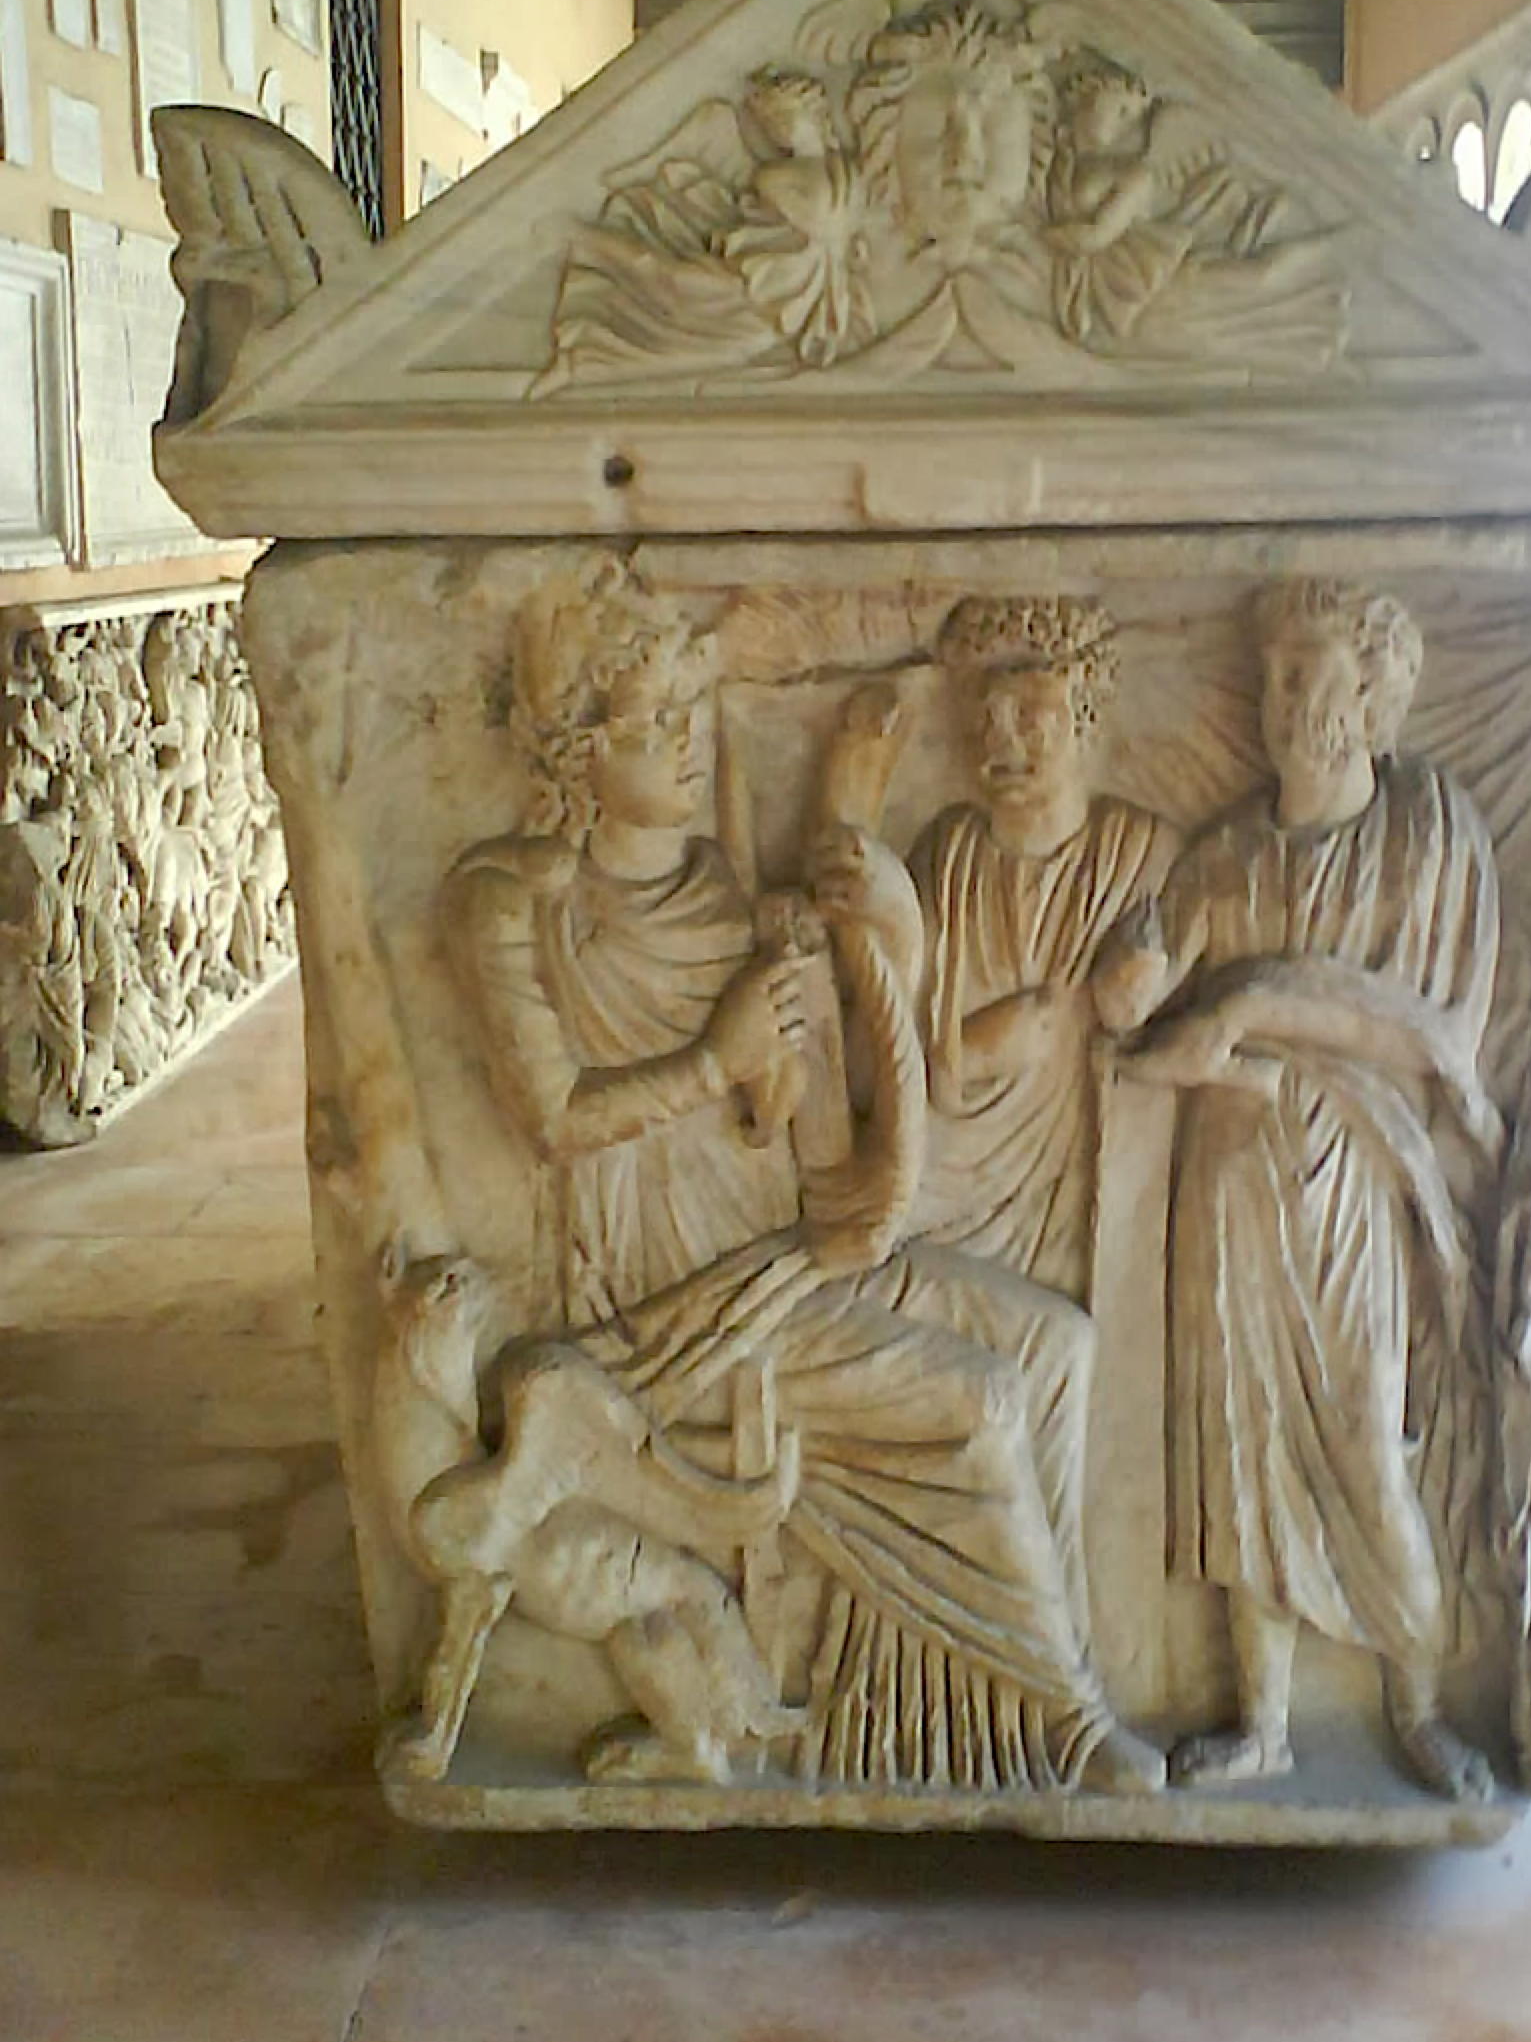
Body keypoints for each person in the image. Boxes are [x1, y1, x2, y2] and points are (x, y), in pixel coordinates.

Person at [420, 562, 1160, 1794]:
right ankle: (1073, 1723)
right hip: (666, 1310)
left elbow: (800, 1139)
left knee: (1057, 1347)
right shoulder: (508, 903)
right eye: (648, 723)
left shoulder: (717, 891)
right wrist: (716, 1061)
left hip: (779, 1263)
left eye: (685, 713)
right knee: (980, 1401)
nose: (681, 740)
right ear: (575, 751)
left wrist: (824, 997)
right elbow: (549, 1119)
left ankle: (1046, 1682)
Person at [1096, 577, 1501, 1799]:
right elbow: (1138, 997)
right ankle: (1261, 1720)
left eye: (1304, 670)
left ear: (1370, 688)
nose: (1279, 699)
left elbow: (1434, 1037)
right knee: (1240, 1452)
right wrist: (1132, 979)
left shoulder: (1424, 839)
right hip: (1228, 1184)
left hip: (1358, 1184)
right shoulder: (1224, 854)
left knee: (1366, 1441)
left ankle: (1419, 1703)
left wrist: (1253, 999)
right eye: (1269, 674)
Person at [910, 594, 1179, 1299]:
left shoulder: (1142, 855)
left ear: (1084, 717)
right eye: (985, 719)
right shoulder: (947, 856)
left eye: (1029, 716)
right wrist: (966, 1053)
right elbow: (885, 1040)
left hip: (1081, 1198)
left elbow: (1174, 1033)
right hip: (944, 1191)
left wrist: (1131, 1006)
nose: (1001, 742)